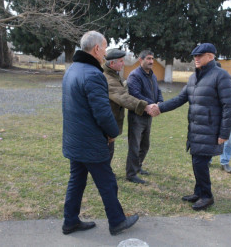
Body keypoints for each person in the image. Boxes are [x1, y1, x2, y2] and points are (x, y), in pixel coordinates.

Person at [62, 31, 138, 236]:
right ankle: (117, 222)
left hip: (75, 139)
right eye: (104, 47)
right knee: (107, 182)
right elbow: (103, 112)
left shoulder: (72, 70)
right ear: (96, 49)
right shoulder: (93, 74)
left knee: (76, 181)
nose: (105, 52)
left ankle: (70, 222)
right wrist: (112, 133)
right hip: (91, 142)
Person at [152, 43, 231, 210]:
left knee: (200, 163)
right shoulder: (193, 78)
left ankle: (207, 196)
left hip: (210, 130)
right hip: (196, 130)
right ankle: (198, 192)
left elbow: (229, 106)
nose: (196, 59)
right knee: (197, 162)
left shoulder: (221, 76)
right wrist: (159, 108)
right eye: (195, 56)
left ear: (210, 56)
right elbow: (180, 99)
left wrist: (224, 133)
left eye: (200, 55)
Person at [102, 49, 154, 161]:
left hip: (110, 120)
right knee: (106, 151)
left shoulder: (114, 75)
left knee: (109, 149)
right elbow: (123, 97)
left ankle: (105, 173)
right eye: (121, 61)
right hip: (106, 122)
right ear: (112, 63)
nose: (123, 63)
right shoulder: (108, 79)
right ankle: (103, 176)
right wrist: (145, 106)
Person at [125, 50, 163, 184]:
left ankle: (138, 167)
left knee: (145, 145)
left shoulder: (152, 76)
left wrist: (160, 102)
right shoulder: (134, 75)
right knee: (134, 145)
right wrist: (152, 105)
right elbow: (135, 94)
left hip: (148, 115)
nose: (151, 61)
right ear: (140, 60)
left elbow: (158, 91)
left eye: (152, 58)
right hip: (137, 115)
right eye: (148, 58)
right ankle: (130, 173)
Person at [209, 63, 231, 174]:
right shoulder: (207, 81)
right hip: (212, 117)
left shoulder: (230, 82)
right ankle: (207, 159)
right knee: (210, 140)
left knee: (228, 141)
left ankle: (225, 162)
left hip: (227, 117)